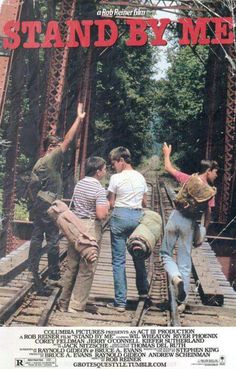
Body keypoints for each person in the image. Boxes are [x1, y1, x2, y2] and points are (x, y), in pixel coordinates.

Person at [28, 104, 86, 290]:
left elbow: (32, 186)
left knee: (37, 237)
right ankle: (53, 275)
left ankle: (33, 270)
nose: (62, 149)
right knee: (53, 239)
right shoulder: (51, 158)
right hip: (49, 205)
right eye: (57, 146)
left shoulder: (39, 163)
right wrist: (79, 118)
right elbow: (68, 140)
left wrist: (35, 202)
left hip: (39, 202)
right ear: (51, 147)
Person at [160, 142, 218, 312]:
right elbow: (208, 214)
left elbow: (168, 167)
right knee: (185, 263)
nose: (216, 175)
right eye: (215, 172)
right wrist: (203, 233)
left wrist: (167, 153)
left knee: (165, 253)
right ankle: (182, 302)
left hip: (175, 217)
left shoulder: (189, 179)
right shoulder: (209, 191)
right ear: (208, 171)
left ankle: (175, 276)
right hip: (189, 225)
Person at [58, 156, 109, 313]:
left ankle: (63, 303)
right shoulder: (99, 189)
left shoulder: (79, 184)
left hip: (75, 226)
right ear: (98, 171)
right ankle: (76, 305)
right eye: (104, 169)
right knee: (87, 267)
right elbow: (101, 215)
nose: (105, 171)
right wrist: (106, 207)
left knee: (71, 265)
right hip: (89, 227)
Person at [107, 146, 149, 312]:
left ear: (121, 161)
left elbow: (111, 203)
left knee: (118, 261)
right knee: (138, 255)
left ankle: (120, 302)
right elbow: (145, 203)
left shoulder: (115, 178)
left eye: (114, 163)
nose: (113, 166)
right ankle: (143, 293)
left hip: (120, 217)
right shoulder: (141, 177)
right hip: (137, 217)